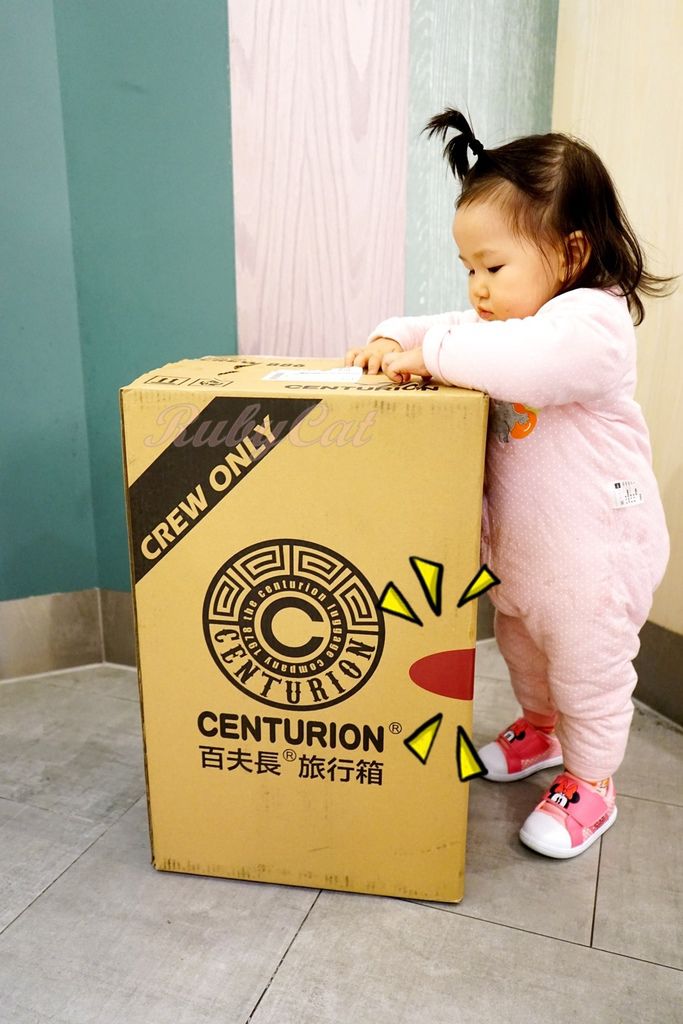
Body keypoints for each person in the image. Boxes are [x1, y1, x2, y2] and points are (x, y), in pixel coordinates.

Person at [345, 108, 674, 859]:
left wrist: (433, 353)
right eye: (469, 269)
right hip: (526, 557)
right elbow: (444, 328)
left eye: (493, 268)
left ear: (571, 251)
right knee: (522, 649)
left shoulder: (591, 324)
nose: (477, 289)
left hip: (593, 558)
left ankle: (592, 782)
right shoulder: (503, 324)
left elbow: (519, 361)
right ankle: (540, 732)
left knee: (586, 671)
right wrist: (394, 334)